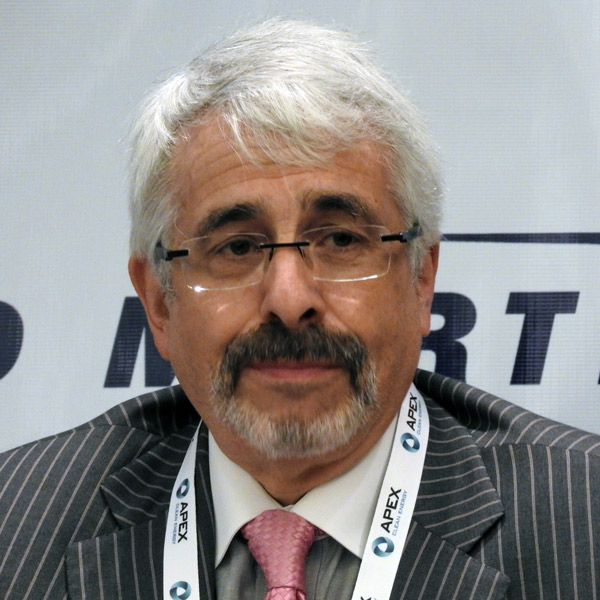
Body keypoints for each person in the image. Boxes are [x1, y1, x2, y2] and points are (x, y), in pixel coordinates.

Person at [0, 19, 598, 600]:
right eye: (237, 247)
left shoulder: (584, 518)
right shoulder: (17, 519)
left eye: (340, 239)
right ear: (158, 301)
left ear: (421, 280)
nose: (289, 301)